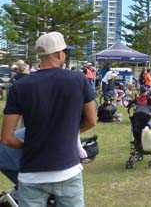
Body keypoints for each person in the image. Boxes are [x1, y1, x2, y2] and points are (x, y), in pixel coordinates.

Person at [1, 31, 96, 206]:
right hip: (68, 170)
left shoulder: (19, 86)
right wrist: (66, 133)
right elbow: (91, 120)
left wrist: (28, 144)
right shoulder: (78, 80)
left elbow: (6, 138)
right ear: (60, 54)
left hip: (31, 174)